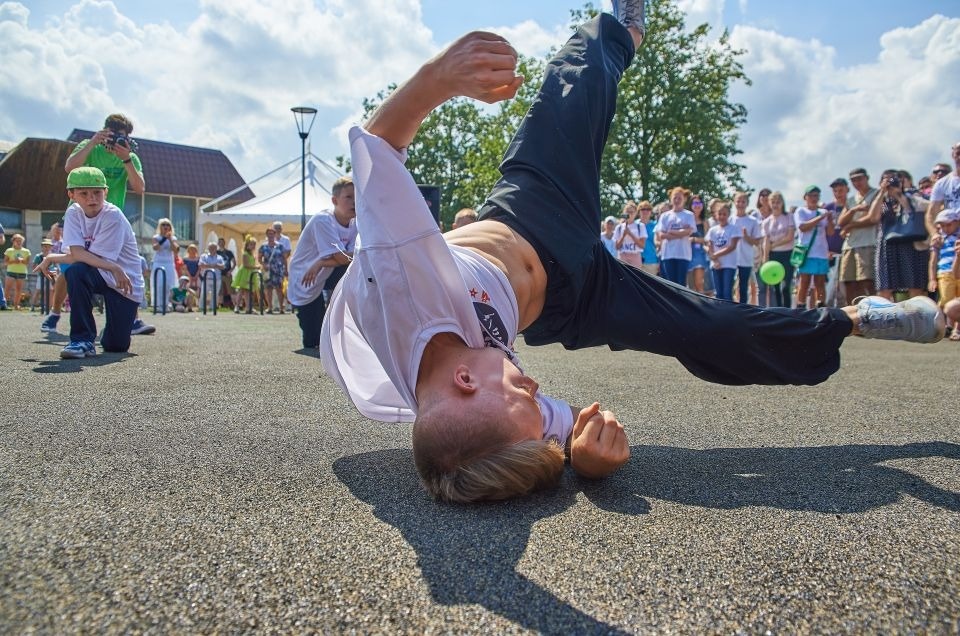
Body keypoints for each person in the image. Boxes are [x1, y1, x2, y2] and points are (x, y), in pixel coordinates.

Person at [319, 6, 944, 504]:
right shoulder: (490, 419)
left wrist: (435, 81)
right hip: (577, 299)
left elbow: (377, 152)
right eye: (537, 406)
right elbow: (562, 434)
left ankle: (620, 27)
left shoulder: (397, 288)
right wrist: (588, 460)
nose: (536, 386)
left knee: (572, 89)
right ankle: (859, 321)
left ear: (462, 381)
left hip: (528, 213)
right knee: (714, 327)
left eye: (523, 393)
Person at [42, 113, 147, 334]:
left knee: (122, 264)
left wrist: (126, 158)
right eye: (114, 136)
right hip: (82, 217)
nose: (117, 141)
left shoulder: (130, 156)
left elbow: (140, 187)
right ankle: (55, 313)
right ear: (105, 132)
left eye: (123, 137)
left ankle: (131, 318)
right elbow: (70, 167)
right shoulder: (90, 146)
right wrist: (92, 142)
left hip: (109, 221)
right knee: (72, 267)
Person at [34, 167, 144, 358]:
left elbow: (89, 257)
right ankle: (82, 340)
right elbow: (77, 254)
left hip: (124, 282)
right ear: (71, 194)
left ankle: (109, 335)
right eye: (83, 193)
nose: (91, 198)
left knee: (116, 345)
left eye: (97, 193)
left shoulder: (113, 216)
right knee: (75, 272)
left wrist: (53, 257)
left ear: (106, 192)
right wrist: (50, 257)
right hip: (104, 271)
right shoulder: (73, 213)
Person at [288, 176, 357, 348]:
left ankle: (342, 315)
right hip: (306, 278)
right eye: (348, 197)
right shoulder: (323, 220)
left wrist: (321, 262)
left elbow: (356, 258)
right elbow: (343, 257)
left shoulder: (356, 223)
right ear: (334, 200)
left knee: (357, 271)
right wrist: (326, 260)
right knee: (313, 340)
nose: (354, 202)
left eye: (357, 197)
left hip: (324, 272)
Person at [866, 170, 929, 301]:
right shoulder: (884, 203)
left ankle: (915, 317)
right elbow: (873, 218)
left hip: (910, 242)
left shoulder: (911, 197)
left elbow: (913, 212)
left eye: (894, 180)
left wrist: (899, 195)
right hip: (887, 245)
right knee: (884, 286)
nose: (891, 184)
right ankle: (884, 317)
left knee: (914, 284)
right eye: (887, 181)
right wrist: (882, 193)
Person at [836, 168, 878, 303]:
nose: (857, 182)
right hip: (849, 245)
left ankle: (875, 313)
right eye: (853, 180)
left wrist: (851, 225)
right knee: (849, 283)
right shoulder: (851, 200)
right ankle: (853, 315)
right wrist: (854, 209)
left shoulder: (877, 194)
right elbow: (841, 222)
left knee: (867, 281)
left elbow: (874, 217)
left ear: (867, 177)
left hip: (869, 242)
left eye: (859, 179)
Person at [793, 186, 835, 308]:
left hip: (821, 253)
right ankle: (800, 307)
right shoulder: (801, 211)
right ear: (805, 197)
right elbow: (802, 227)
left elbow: (830, 233)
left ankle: (821, 307)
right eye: (811, 195)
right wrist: (820, 218)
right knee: (804, 282)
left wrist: (830, 220)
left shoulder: (823, 212)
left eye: (816, 195)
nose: (813, 198)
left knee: (820, 283)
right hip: (806, 252)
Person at [927, 209, 960, 340]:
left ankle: (955, 329)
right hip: (944, 273)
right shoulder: (938, 239)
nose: (946, 228)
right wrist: (932, 279)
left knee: (956, 299)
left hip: (958, 272)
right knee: (946, 301)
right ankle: (946, 326)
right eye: (943, 225)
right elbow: (933, 261)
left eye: (949, 224)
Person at [760, 191, 796, 308]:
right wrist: (765, 259)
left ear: (782, 203)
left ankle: (788, 311)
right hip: (773, 256)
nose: (775, 205)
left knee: (785, 287)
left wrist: (774, 244)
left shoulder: (789, 217)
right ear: (769, 204)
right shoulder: (766, 222)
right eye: (773, 202)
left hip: (787, 254)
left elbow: (790, 237)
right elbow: (766, 241)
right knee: (775, 289)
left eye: (778, 202)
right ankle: (779, 311)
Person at [655, 187, 695, 286]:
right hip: (668, 254)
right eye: (674, 198)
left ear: (684, 199)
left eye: (679, 198)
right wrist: (681, 232)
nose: (677, 200)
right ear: (671, 199)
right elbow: (661, 235)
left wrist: (671, 231)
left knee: (681, 284)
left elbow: (689, 232)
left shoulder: (689, 215)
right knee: (670, 284)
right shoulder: (665, 216)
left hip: (683, 254)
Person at [704, 202, 740, 301]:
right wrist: (715, 260)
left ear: (728, 215)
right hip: (716, 265)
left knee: (727, 292)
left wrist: (715, 255)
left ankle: (730, 314)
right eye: (720, 214)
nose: (722, 216)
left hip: (729, 265)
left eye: (724, 214)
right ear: (716, 215)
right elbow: (709, 245)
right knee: (718, 293)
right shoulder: (712, 230)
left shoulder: (734, 229)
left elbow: (732, 246)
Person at [731, 191, 761, 304]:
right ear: (734, 202)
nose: (740, 204)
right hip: (730, 259)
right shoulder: (730, 219)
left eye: (743, 201)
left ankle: (743, 309)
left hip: (746, 259)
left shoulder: (753, 221)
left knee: (743, 287)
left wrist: (747, 237)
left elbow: (757, 241)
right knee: (730, 286)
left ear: (747, 203)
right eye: (738, 201)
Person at [926, 143, 960, 237]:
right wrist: (934, 234)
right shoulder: (942, 183)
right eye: (958, 153)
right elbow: (932, 213)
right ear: (953, 155)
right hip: (950, 237)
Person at [150, 218, 178, 310]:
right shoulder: (156, 237)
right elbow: (155, 248)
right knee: (159, 284)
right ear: (160, 227)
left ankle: (167, 304)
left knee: (169, 284)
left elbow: (176, 250)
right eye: (163, 224)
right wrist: (164, 238)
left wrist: (169, 239)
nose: (166, 226)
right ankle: (158, 305)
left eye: (167, 225)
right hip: (159, 262)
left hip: (169, 263)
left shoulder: (173, 238)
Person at [258, 228, 286, 313]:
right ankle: (270, 307)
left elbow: (284, 258)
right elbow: (259, 258)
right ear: (266, 235)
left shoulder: (280, 246)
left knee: (279, 288)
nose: (270, 235)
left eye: (272, 234)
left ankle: (281, 308)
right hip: (268, 270)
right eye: (269, 234)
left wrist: (286, 269)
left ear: (275, 235)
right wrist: (263, 264)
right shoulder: (263, 246)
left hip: (278, 269)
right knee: (268, 288)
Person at [686, 195, 709, 294]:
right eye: (694, 203)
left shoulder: (705, 222)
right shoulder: (685, 219)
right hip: (686, 253)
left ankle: (701, 306)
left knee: (699, 283)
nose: (697, 205)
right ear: (690, 205)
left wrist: (694, 239)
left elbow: (708, 239)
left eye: (699, 203)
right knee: (689, 285)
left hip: (700, 254)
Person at [613, 201, 646, 269]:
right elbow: (617, 247)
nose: (629, 214)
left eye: (632, 212)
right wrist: (623, 235)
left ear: (635, 213)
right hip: (622, 256)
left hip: (635, 256)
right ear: (624, 213)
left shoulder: (640, 226)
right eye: (627, 212)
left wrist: (630, 234)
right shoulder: (619, 227)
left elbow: (642, 245)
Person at [232, 236, 261, 313]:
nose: (253, 246)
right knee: (241, 290)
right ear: (247, 245)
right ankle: (237, 306)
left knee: (248, 291)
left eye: (254, 244)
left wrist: (255, 267)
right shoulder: (245, 254)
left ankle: (248, 307)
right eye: (251, 244)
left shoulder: (253, 254)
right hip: (245, 273)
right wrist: (256, 267)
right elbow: (246, 265)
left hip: (251, 273)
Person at [3, 233, 30, 310]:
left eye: (20, 241)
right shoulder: (9, 250)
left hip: (22, 272)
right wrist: (14, 261)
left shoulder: (26, 251)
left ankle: (16, 306)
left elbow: (27, 263)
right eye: (17, 240)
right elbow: (5, 262)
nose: (19, 242)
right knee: (7, 289)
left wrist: (21, 261)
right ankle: (3, 304)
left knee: (19, 290)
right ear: (13, 241)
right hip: (11, 272)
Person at [30, 239, 56, 310]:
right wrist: (41, 269)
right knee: (38, 290)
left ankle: (50, 306)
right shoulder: (38, 256)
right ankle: (33, 305)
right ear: (42, 247)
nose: (46, 248)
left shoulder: (53, 256)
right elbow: (34, 266)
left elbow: (55, 266)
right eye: (45, 246)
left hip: (50, 275)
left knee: (51, 291)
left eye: (48, 246)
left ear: (51, 247)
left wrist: (54, 271)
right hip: (41, 276)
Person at [198, 242, 225, 310]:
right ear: (208, 248)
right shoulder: (204, 256)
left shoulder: (219, 257)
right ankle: (201, 308)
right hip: (207, 278)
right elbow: (201, 264)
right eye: (211, 248)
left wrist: (209, 265)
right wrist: (214, 265)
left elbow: (223, 266)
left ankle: (212, 308)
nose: (212, 249)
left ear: (216, 249)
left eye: (214, 248)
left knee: (215, 295)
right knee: (203, 294)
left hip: (217, 279)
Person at [637, 201, 659, 276]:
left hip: (652, 260)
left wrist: (659, 262)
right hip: (635, 260)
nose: (645, 211)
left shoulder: (656, 225)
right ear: (639, 211)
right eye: (643, 209)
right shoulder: (633, 225)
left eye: (648, 209)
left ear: (651, 212)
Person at [216, 237, 236, 309]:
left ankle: (235, 304)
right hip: (219, 274)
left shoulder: (229, 252)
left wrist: (230, 271)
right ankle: (219, 304)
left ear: (224, 243)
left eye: (222, 242)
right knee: (219, 290)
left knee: (231, 289)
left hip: (227, 274)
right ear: (218, 243)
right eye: (219, 242)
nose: (221, 243)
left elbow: (234, 263)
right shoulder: (216, 252)